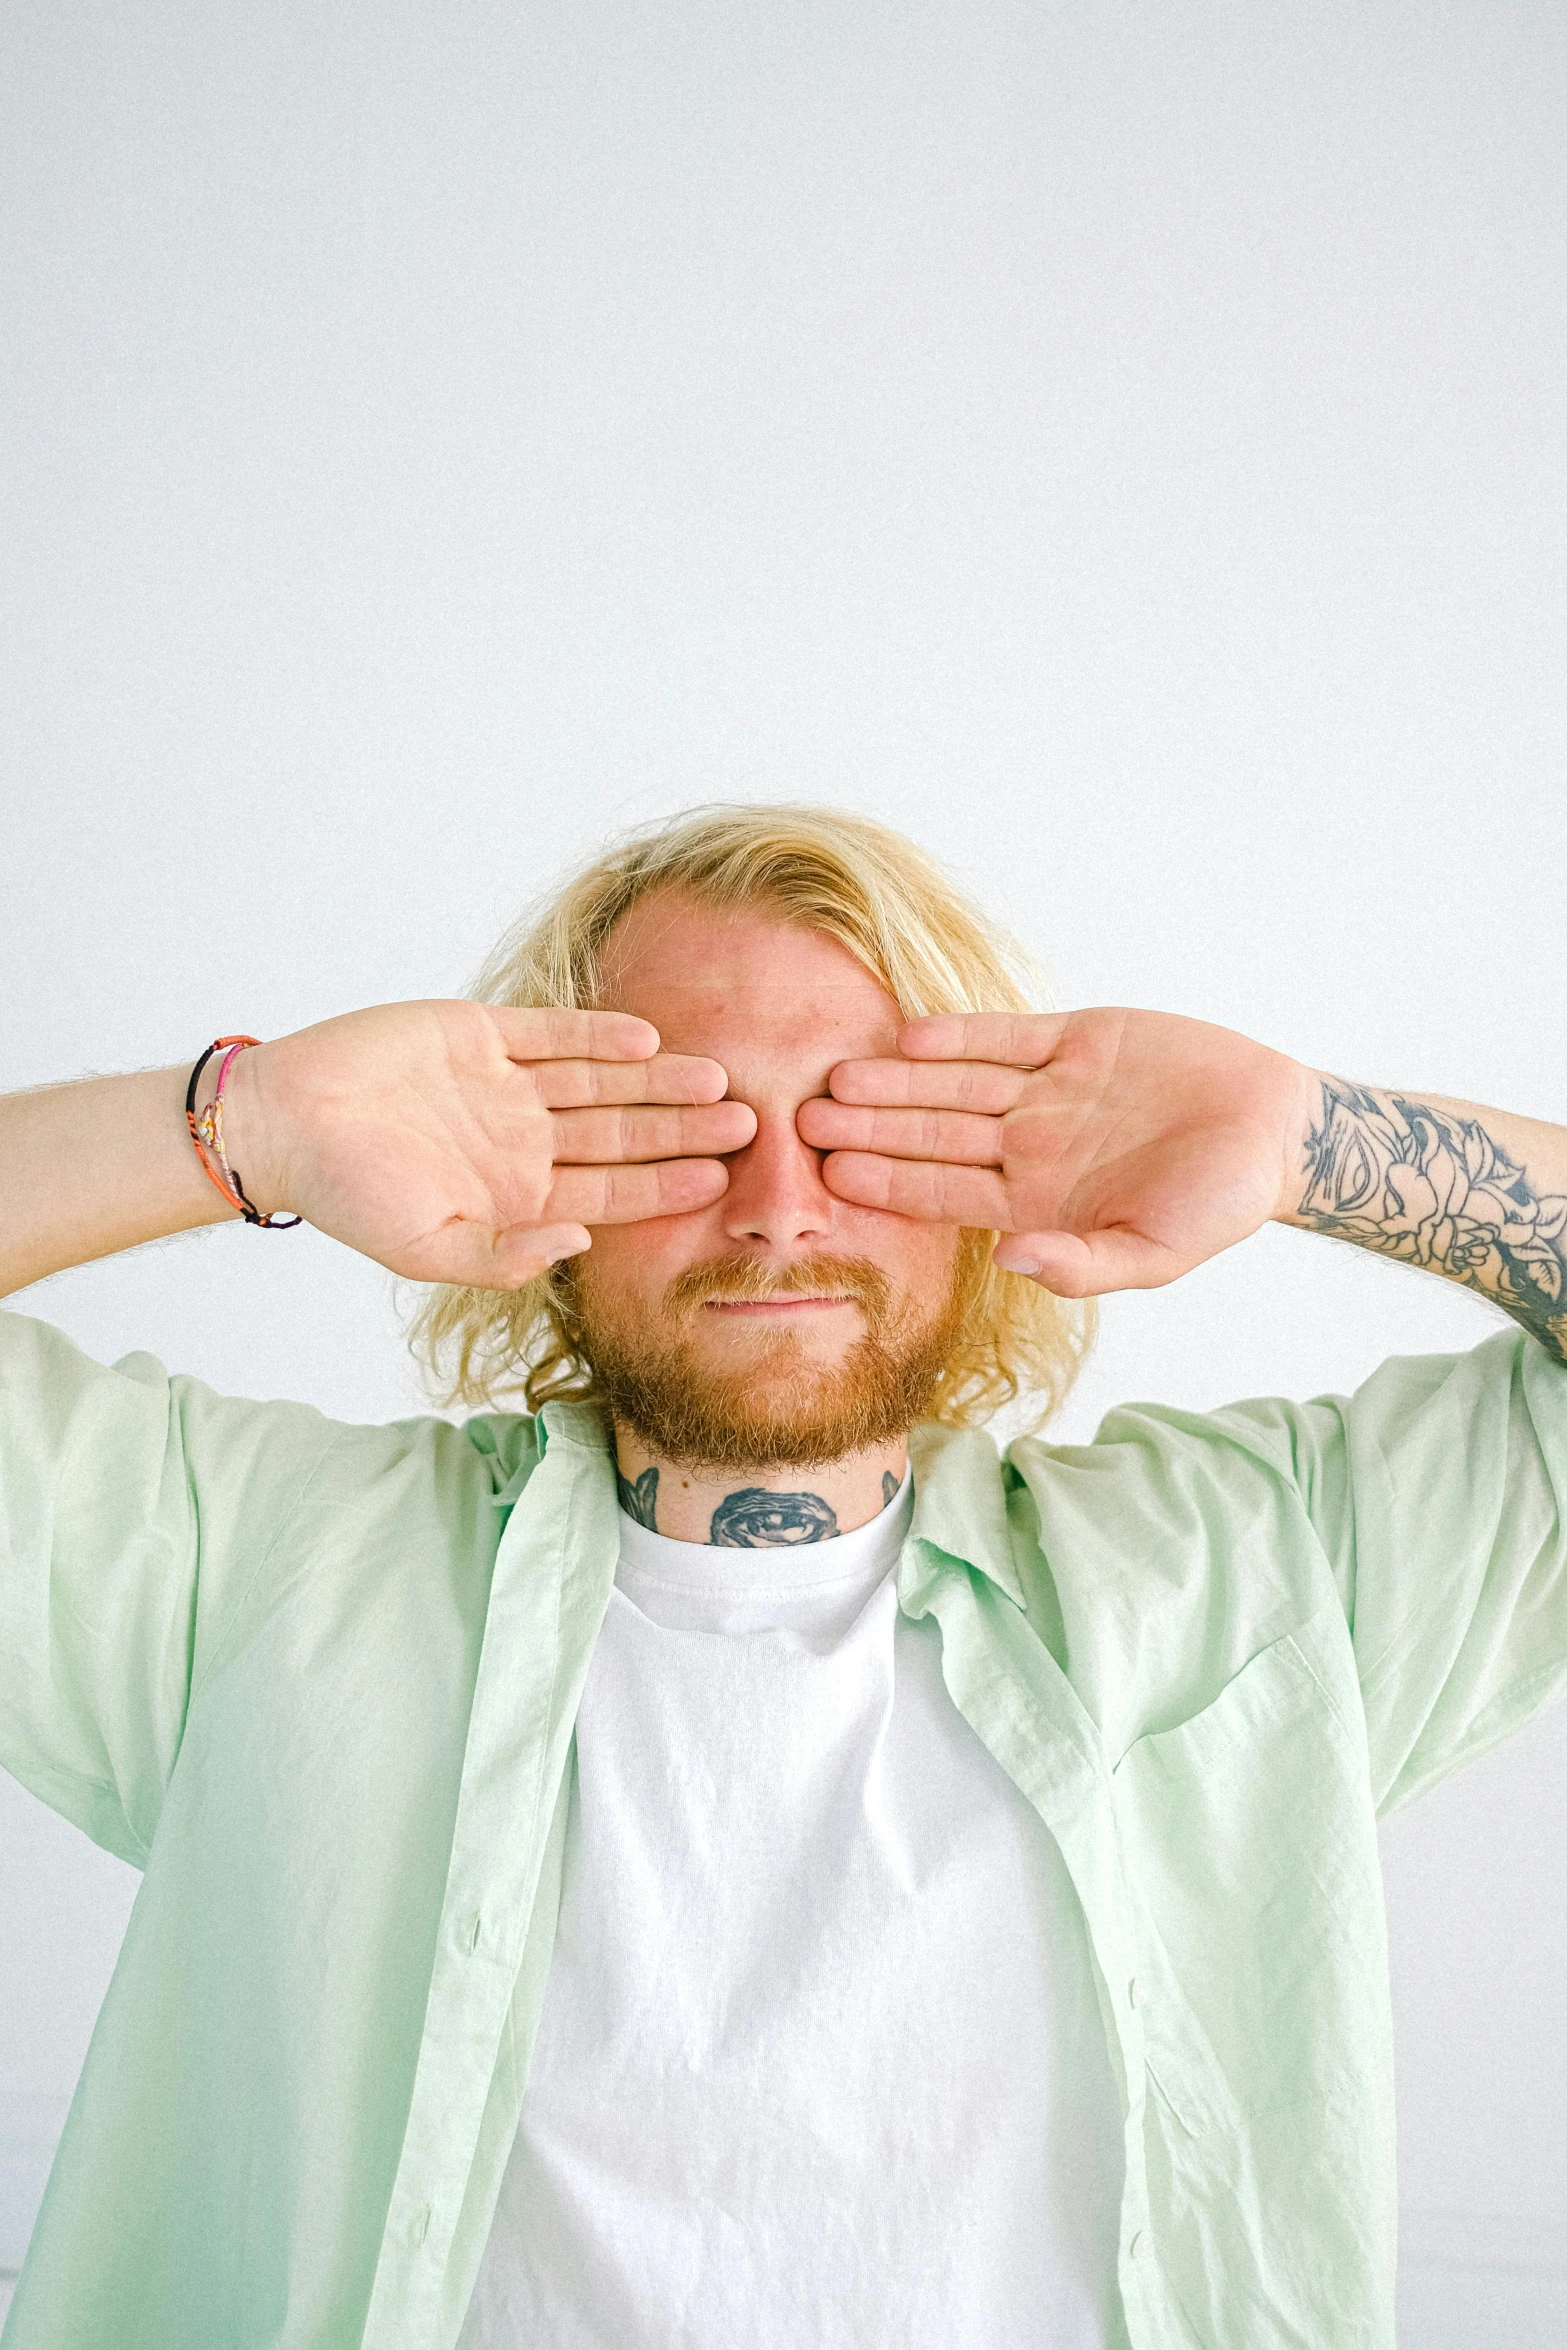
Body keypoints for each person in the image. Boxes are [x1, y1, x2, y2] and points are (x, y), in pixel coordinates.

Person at [2, 803, 1565, 2350]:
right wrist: (248, 1120)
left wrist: (1315, 1146)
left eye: (859, 1125)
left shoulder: (1257, 1569)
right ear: (542, 1172)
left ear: (993, 1166)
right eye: (684, 1128)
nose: (776, 1208)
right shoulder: (259, 1572)